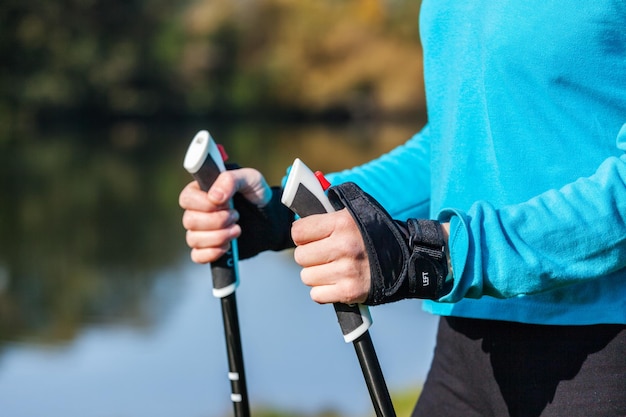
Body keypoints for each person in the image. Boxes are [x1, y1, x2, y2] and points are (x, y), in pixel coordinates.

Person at [179, 1, 626, 416]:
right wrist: (291, 213)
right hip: (465, 346)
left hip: (604, 348)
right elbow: (454, 145)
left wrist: (439, 254)